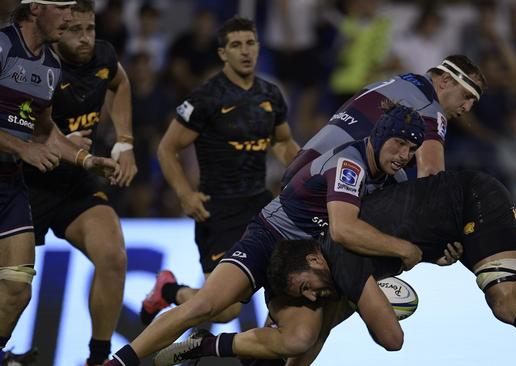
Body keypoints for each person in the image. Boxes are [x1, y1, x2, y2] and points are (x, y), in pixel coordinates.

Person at [106, 103, 461, 366]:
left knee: (302, 339)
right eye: (399, 144)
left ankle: (204, 345)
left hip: (311, 259)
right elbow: (345, 228)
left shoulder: (394, 180)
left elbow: (391, 240)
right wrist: (407, 248)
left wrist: (434, 252)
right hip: (271, 238)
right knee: (209, 306)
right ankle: (118, 361)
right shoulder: (350, 164)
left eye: (413, 150)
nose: (405, 155)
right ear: (381, 134)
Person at [262, 170, 516, 366]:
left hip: (473, 201)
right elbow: (322, 330)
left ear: (313, 260)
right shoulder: (331, 261)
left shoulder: (341, 258)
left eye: (305, 286)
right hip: (459, 216)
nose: (311, 296)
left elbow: (393, 339)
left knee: (506, 299)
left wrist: (370, 300)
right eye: (304, 296)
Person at [140, 16, 300, 326]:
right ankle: (169, 290)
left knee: (287, 284)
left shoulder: (270, 94)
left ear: (258, 47)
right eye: (236, 45)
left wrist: (309, 171)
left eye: (250, 43)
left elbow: (282, 143)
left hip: (261, 206)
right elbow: (167, 148)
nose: (245, 51)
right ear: (222, 53)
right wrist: (185, 194)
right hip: (219, 212)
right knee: (226, 311)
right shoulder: (205, 99)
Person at [0, 0, 119, 364]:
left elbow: (45, 132)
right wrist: (23, 149)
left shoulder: (50, 65)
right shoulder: (3, 47)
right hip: (15, 169)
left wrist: (86, 159)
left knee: (18, 290)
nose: (70, 16)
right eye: (64, 8)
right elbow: (30, 144)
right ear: (35, 8)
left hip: (9, 185)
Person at [281, 54, 486, 185]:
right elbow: (432, 175)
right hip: (329, 186)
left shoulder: (402, 81)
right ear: (446, 80)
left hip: (298, 173)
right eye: (466, 96)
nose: (467, 107)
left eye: (473, 102)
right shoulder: (429, 108)